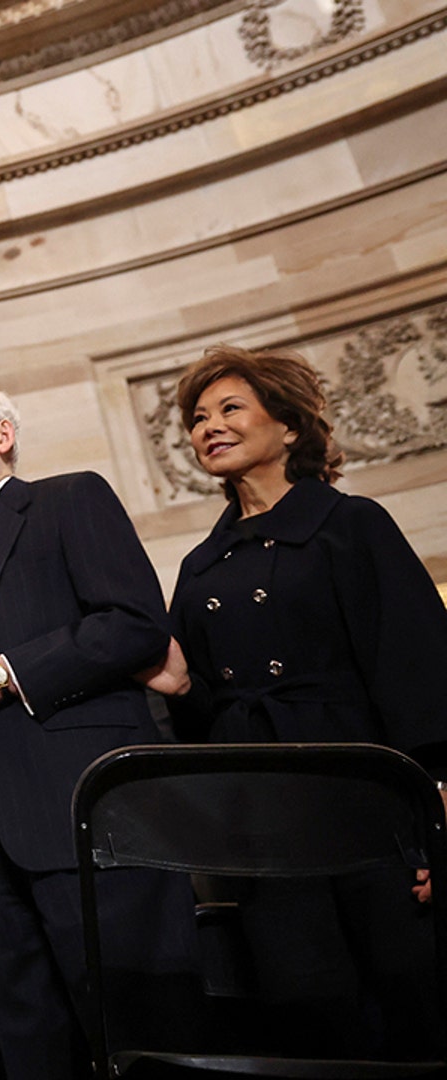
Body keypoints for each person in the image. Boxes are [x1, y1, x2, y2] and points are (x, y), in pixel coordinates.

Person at [145, 344, 447, 1058]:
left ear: (288, 426)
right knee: (307, 1012)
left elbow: (419, 671)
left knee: (412, 1003)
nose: (207, 426)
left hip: (364, 802)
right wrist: (175, 687)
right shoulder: (200, 566)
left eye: (229, 409)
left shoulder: (351, 524)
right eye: (196, 417)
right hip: (258, 821)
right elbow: (197, 717)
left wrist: (434, 821)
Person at [0, 381, 197, 1077]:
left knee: (137, 1033)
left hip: (85, 821)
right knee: (32, 1051)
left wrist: (2, 675)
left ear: (2, 434)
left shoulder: (69, 500)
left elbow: (134, 624)